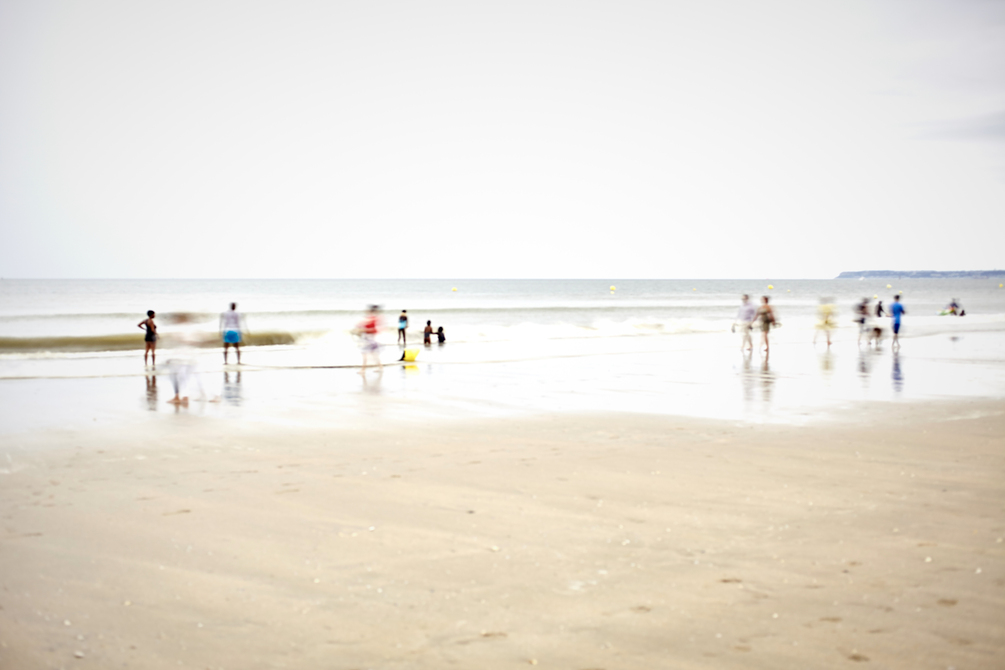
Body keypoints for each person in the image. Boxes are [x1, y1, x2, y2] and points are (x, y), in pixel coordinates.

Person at [354, 305, 383, 374]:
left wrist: (362, 329)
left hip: (368, 339)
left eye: (368, 310)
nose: (366, 311)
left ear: (370, 311)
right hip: (370, 339)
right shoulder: (372, 318)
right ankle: (380, 368)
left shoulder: (372, 319)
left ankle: (363, 370)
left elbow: (372, 329)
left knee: (364, 354)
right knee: (374, 354)